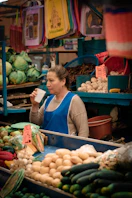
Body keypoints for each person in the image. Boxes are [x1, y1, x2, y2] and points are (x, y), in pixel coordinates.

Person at [29, 65, 89, 137]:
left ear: (63, 81)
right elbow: (36, 123)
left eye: (51, 80)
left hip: (66, 147)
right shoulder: (48, 100)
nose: (48, 84)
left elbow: (83, 132)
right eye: (47, 80)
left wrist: (79, 148)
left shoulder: (74, 100)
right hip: (48, 146)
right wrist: (35, 105)